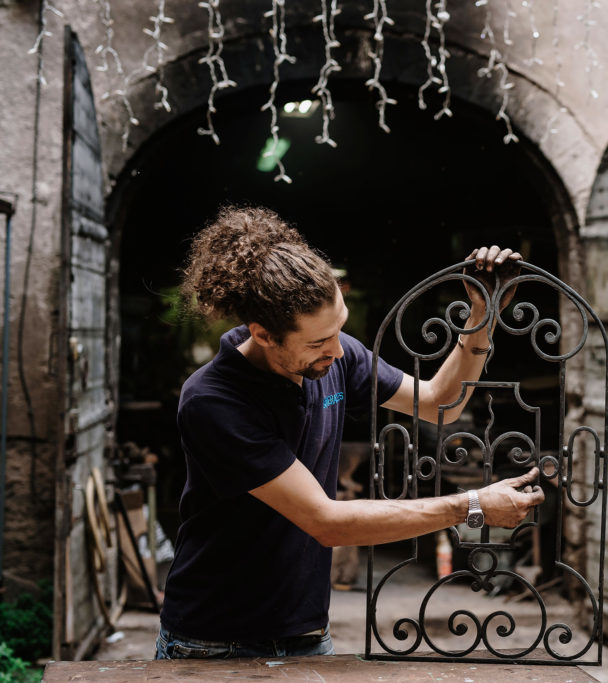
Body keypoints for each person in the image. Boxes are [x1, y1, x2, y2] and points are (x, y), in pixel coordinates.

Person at [155, 206, 544, 659]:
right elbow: (326, 522)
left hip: (305, 632)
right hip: (212, 641)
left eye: (338, 330)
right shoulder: (214, 401)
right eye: (318, 341)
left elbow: (442, 404)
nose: (337, 350)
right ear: (262, 334)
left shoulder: (337, 357)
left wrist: (484, 314)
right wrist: (472, 505)